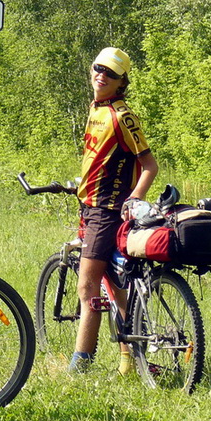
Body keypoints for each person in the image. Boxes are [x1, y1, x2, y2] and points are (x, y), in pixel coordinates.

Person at [69, 47, 158, 373]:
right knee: (117, 289)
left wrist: (134, 199)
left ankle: (80, 367)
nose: (101, 75)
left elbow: (149, 165)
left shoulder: (122, 116)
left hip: (105, 212)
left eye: (110, 73)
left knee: (87, 290)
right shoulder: (96, 108)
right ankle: (128, 363)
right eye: (98, 68)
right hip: (93, 205)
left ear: (122, 82)